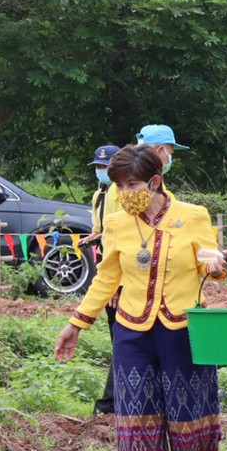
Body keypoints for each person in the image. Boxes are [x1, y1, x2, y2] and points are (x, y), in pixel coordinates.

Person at [52, 146, 227, 451]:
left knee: (191, 413)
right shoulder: (117, 224)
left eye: (131, 184)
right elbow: (106, 278)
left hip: (183, 329)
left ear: (155, 181)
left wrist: (215, 268)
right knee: (137, 416)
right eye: (118, 185)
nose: (123, 192)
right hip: (132, 330)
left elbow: (209, 262)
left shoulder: (192, 216)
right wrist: (77, 323)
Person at [86, 144, 120, 418]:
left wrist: (117, 285)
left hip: (120, 276)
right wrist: (92, 237)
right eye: (98, 167)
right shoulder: (99, 195)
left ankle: (110, 404)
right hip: (108, 272)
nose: (102, 171)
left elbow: (121, 240)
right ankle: (111, 403)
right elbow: (103, 232)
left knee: (123, 342)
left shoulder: (122, 193)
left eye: (106, 166)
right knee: (120, 340)